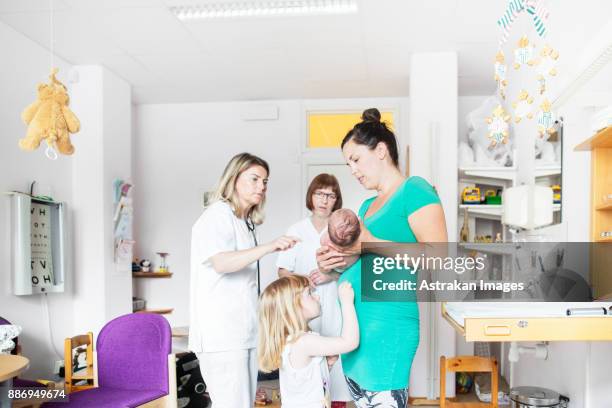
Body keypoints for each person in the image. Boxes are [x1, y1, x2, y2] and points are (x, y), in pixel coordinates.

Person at [317, 108, 448, 408]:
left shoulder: (414, 190)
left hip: (387, 338)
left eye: (355, 159)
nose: (352, 169)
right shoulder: (365, 207)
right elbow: (363, 262)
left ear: (380, 150)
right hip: (356, 342)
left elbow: (439, 259)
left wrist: (371, 242)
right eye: (348, 163)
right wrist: (334, 264)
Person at [189, 152, 299, 407]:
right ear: (234, 179)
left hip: (242, 331)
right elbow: (222, 262)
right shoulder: (217, 216)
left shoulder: (244, 222)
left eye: (265, 181)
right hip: (222, 335)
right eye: (254, 179)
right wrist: (270, 247)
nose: (261, 186)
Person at [276, 174, 352, 405]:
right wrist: (303, 282)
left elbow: (352, 268)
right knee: (305, 364)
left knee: (337, 360)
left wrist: (330, 275)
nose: (324, 200)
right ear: (311, 196)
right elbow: (282, 271)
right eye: (320, 193)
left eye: (330, 195)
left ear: (336, 200)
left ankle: (335, 402)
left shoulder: (342, 232)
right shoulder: (296, 230)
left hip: (335, 304)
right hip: (303, 305)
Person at [258, 275, 359, 408]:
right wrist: (346, 303)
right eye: (309, 293)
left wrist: (325, 366)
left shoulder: (293, 341)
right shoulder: (303, 341)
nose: (317, 296)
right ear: (292, 307)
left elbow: (302, 382)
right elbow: (350, 342)